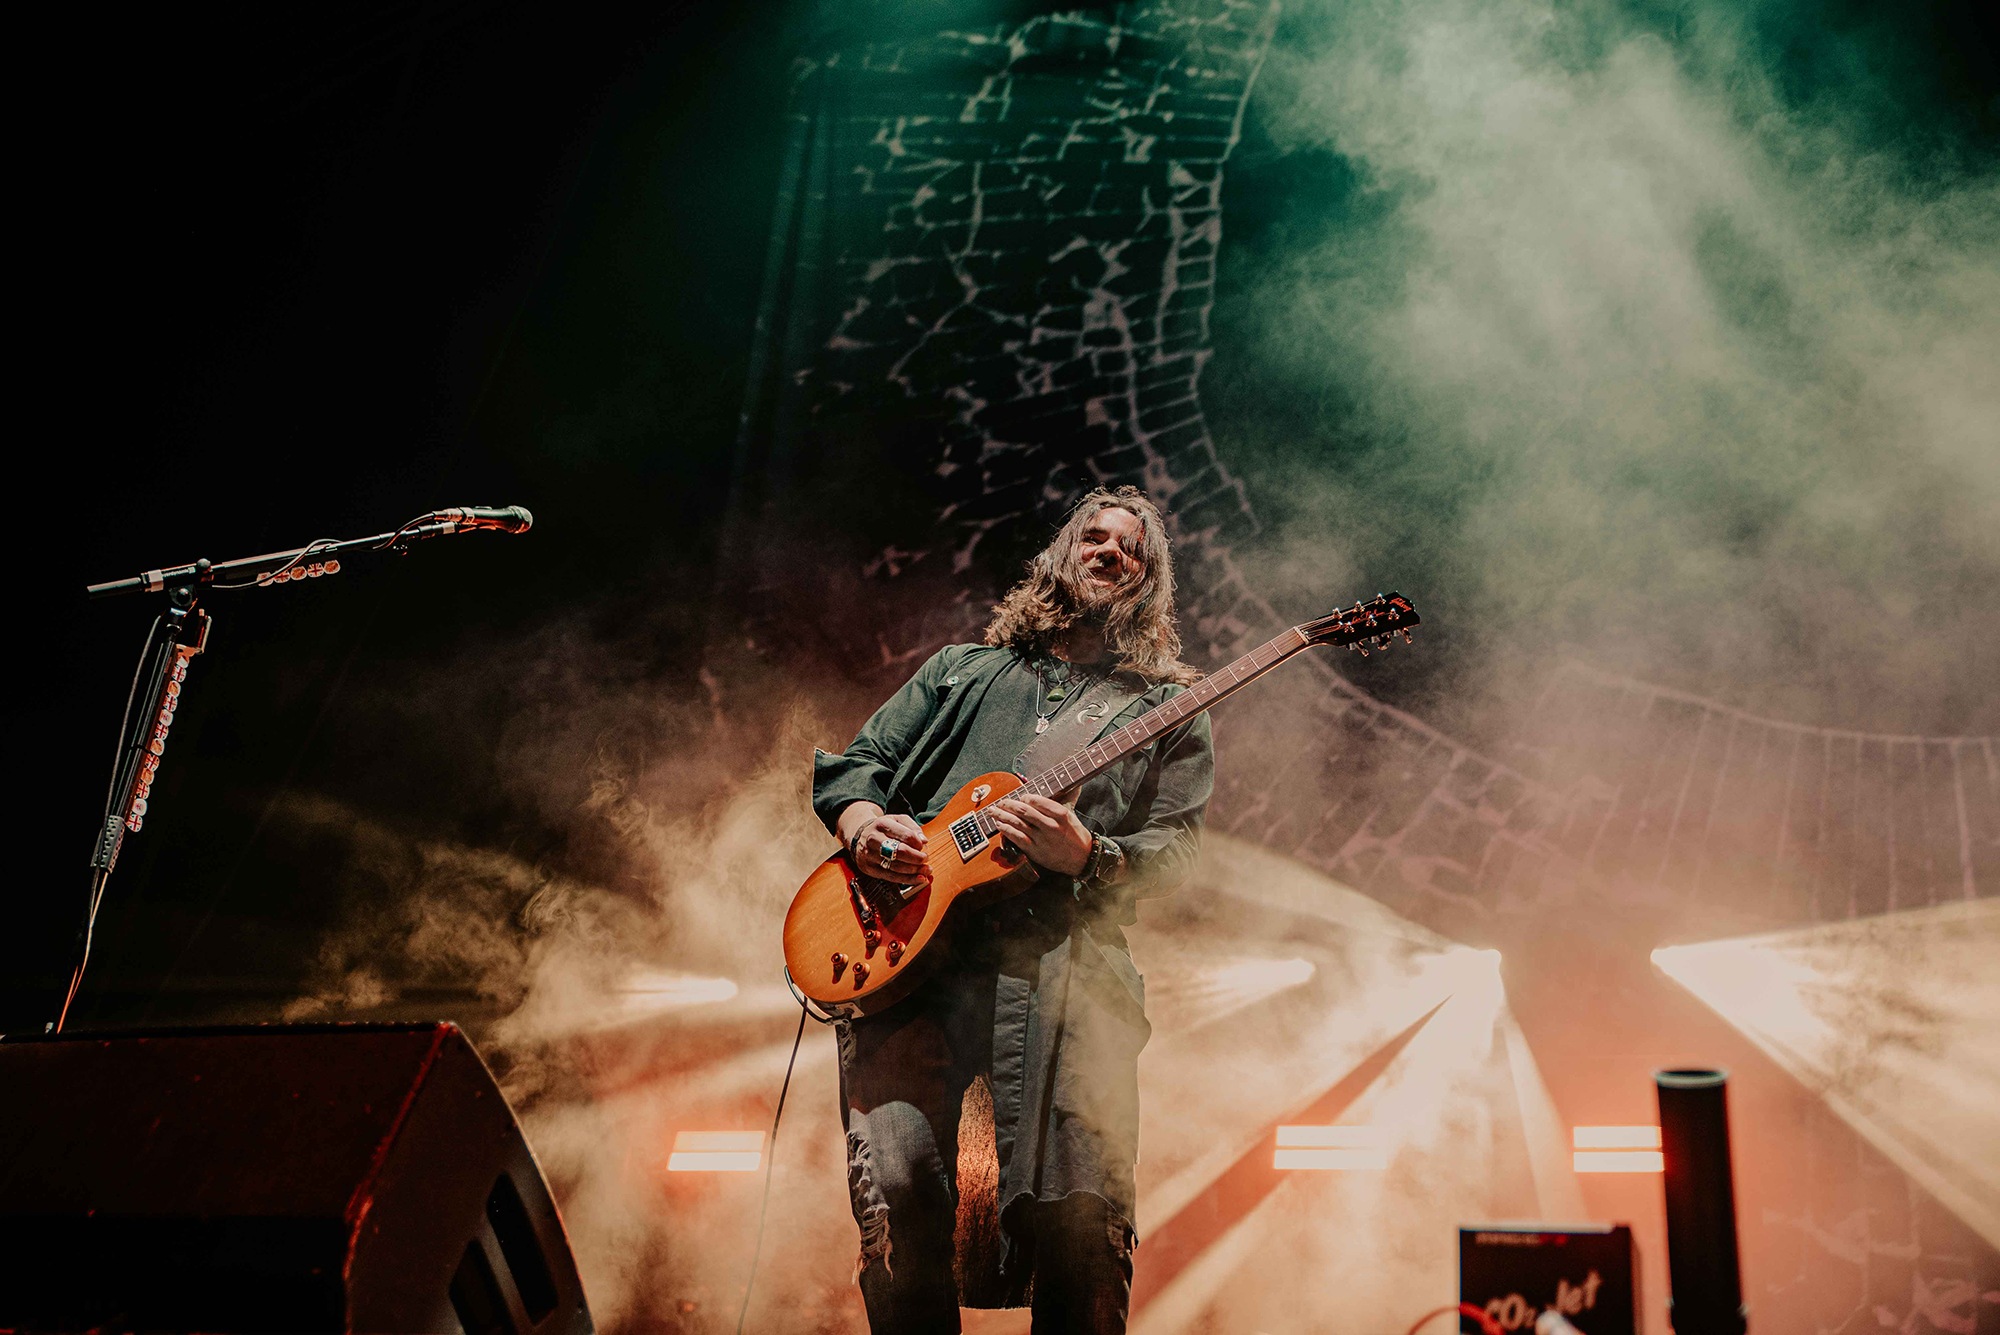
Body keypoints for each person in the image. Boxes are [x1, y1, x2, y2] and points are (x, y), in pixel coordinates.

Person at [812, 486, 1214, 1334]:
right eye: (1094, 536)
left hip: (1067, 980)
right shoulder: (961, 670)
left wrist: (1089, 854)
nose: (1110, 551)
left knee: (1082, 1217)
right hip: (910, 961)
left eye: (1131, 547)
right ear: (1062, 555)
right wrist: (864, 828)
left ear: (1149, 580)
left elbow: (1176, 853)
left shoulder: (1164, 708)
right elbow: (859, 763)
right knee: (899, 1188)